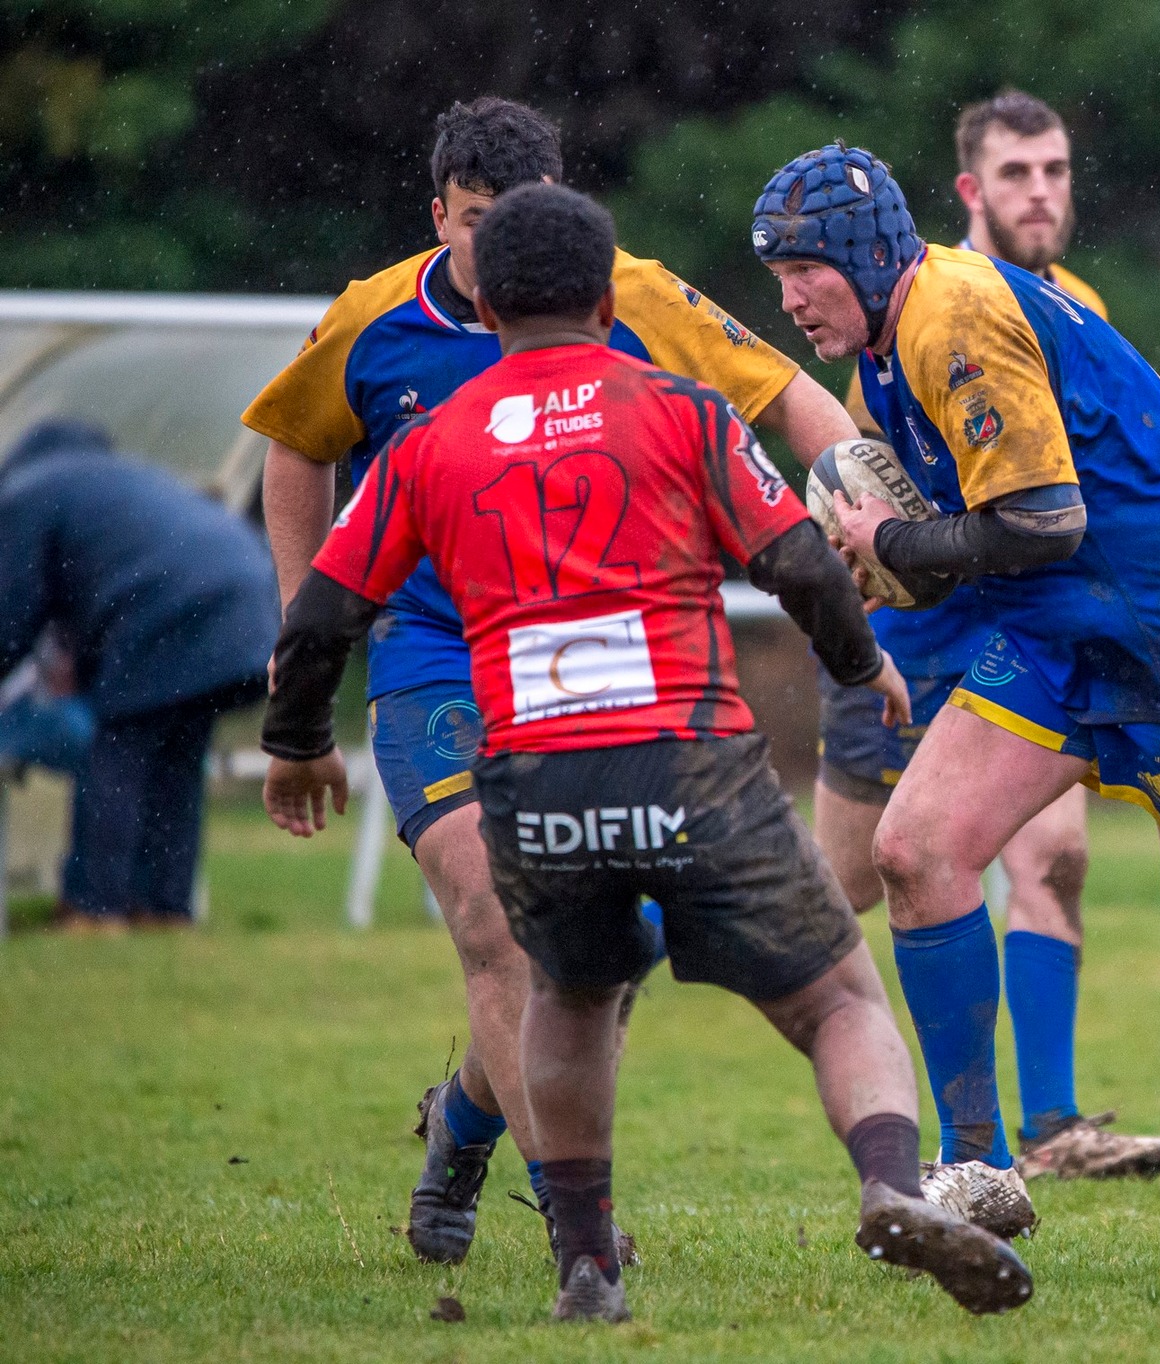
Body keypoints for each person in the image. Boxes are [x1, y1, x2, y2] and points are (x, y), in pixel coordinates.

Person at [260, 184, 1032, 1323]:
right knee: (835, 1000)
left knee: (567, 996)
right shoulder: (680, 412)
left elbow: (324, 610)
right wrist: (867, 666)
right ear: (601, 291)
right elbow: (802, 567)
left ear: (491, 293)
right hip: (692, 766)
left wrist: (294, 743)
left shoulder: (431, 444)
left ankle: (585, 1264)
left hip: (533, 780)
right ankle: (885, 1181)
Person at [753, 146, 1160, 1275]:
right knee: (914, 847)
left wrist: (891, 546)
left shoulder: (949, 314)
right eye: (776, 275)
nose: (790, 296)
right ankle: (980, 1166)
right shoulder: (892, 348)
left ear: (859, 253)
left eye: (802, 268)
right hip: (1063, 636)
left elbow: (1042, 518)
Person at [240, 97, 859, 1264]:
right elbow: (297, 446)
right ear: (438, 216)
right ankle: (587, 1233)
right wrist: (297, 630)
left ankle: (464, 1119)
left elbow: (787, 396)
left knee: (592, 956)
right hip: (433, 651)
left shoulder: (623, 293)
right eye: (470, 223)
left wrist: (869, 502)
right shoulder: (372, 319)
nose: (488, 253)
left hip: (590, 658)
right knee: (497, 925)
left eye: (510, 221)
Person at [817, 90, 1160, 1183]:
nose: (1041, 191)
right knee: (822, 901)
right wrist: (868, 612)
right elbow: (854, 486)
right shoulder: (909, 312)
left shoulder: (1079, 303)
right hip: (914, 633)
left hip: (1021, 628)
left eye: (1056, 170)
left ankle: (1049, 1127)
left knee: (1055, 855)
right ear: (970, 190)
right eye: (1016, 173)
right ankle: (590, 976)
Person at [0, 420, 275, 933]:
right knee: (174, 762)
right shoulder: (121, 479)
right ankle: (164, 911)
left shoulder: (27, 492)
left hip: (173, 613)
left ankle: (93, 910)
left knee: (117, 755)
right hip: (255, 608)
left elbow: (12, 613)